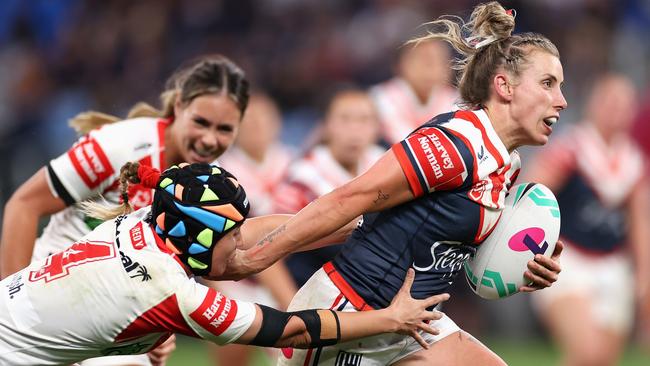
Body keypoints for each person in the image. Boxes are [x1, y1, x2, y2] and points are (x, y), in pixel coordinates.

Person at [222, 2, 566, 365]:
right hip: (352, 313)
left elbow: (443, 242)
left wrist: (518, 264)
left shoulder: (507, 164)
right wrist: (252, 261)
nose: (561, 101)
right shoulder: (455, 145)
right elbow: (350, 199)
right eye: (548, 84)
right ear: (505, 86)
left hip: (414, 321)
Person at [0, 162, 450, 365]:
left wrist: (352, 224)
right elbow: (292, 329)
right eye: (230, 235)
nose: (240, 242)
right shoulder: (172, 292)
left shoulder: (146, 222)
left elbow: (256, 235)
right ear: (197, 238)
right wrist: (390, 319)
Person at [0, 54, 249, 365]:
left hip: (119, 311)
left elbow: (193, 261)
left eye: (224, 129)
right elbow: (23, 205)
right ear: (179, 106)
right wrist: (11, 309)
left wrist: (158, 330)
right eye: (201, 122)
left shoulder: (210, 182)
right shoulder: (122, 145)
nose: (210, 139)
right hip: (54, 298)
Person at [526, 74, 650, 366]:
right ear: (594, 103)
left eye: (624, 104)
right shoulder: (571, 147)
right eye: (610, 101)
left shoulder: (633, 160)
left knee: (603, 360)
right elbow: (532, 193)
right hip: (568, 260)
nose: (616, 110)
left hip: (612, 266)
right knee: (587, 353)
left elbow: (639, 223)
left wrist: (644, 274)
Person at [212, 92, 297, 366]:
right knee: (233, 352)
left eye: (264, 118)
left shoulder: (295, 164)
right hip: (236, 277)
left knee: (293, 356)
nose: (257, 126)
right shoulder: (220, 170)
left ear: (277, 122)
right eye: (248, 120)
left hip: (289, 273)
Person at [273, 87, 384, 286]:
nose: (355, 130)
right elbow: (275, 253)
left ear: (377, 127)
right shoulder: (302, 178)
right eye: (345, 119)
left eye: (364, 120)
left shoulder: (386, 165)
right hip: (311, 290)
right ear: (326, 125)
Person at [369, 38, 458, 145]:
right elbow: (405, 142)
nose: (431, 66)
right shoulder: (380, 97)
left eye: (439, 59)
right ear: (401, 64)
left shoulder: (456, 100)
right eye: (424, 59)